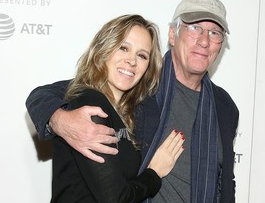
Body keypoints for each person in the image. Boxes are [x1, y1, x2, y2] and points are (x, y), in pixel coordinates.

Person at [26, 0, 239, 203]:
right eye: (194, 28)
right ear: (173, 34)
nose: (204, 41)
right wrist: (60, 120)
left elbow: (225, 179)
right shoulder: (142, 83)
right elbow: (47, 95)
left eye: (214, 32)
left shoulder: (225, 106)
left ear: (221, 44)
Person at [41, 14, 185, 202]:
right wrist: (154, 173)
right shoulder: (91, 103)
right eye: (124, 48)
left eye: (142, 55)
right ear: (103, 50)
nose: (132, 61)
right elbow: (116, 199)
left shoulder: (126, 112)